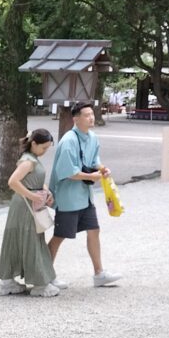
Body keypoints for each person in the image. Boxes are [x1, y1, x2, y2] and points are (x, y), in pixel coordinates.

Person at [48, 101, 121, 287]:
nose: (91, 118)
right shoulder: (68, 141)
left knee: (94, 230)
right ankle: (45, 275)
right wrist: (92, 176)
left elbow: (95, 159)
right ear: (75, 119)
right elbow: (69, 171)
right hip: (68, 198)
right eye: (86, 115)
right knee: (60, 236)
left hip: (85, 195)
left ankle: (99, 274)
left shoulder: (93, 137)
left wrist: (102, 169)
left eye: (92, 114)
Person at [0, 129, 61, 298]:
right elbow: (12, 182)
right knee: (31, 239)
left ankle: (8, 280)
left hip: (29, 203)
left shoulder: (32, 159)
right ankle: (39, 283)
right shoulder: (28, 161)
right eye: (44, 148)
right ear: (34, 143)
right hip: (26, 204)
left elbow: (33, 181)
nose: (45, 151)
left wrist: (46, 192)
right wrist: (33, 195)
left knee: (23, 238)